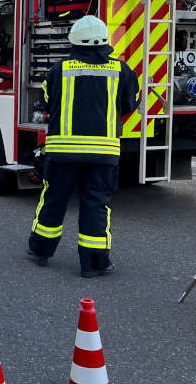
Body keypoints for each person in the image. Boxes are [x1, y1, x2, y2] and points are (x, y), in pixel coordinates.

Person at [25, 15, 139, 278]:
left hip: (63, 152)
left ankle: (41, 250)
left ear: (74, 41)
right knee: (96, 204)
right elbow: (130, 104)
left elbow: (46, 99)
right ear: (105, 40)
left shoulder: (59, 70)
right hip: (103, 153)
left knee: (53, 200)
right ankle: (94, 263)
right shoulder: (122, 71)